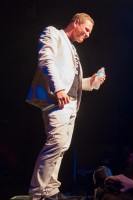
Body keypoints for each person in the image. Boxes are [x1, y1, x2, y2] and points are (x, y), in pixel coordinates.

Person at [25, 13, 106, 199]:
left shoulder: (72, 49)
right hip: (57, 99)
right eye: (86, 30)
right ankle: (36, 192)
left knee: (61, 147)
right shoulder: (53, 33)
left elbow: (75, 82)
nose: (87, 35)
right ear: (76, 22)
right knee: (56, 143)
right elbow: (46, 60)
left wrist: (91, 81)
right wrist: (58, 89)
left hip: (70, 103)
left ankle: (50, 190)